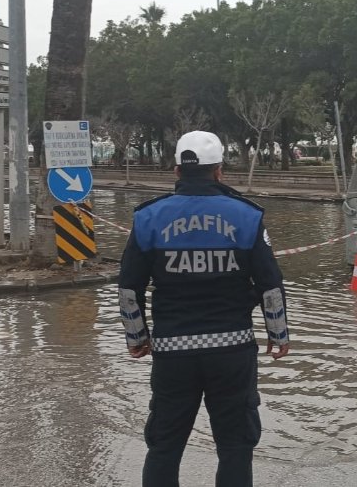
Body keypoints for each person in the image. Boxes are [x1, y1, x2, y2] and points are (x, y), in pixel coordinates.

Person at [118, 130, 290, 487]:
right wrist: (279, 334)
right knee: (235, 446)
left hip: (172, 352)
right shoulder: (246, 216)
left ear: (177, 171)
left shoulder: (149, 218)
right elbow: (270, 285)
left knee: (164, 445)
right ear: (219, 171)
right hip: (232, 350)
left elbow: (128, 289)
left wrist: (137, 337)